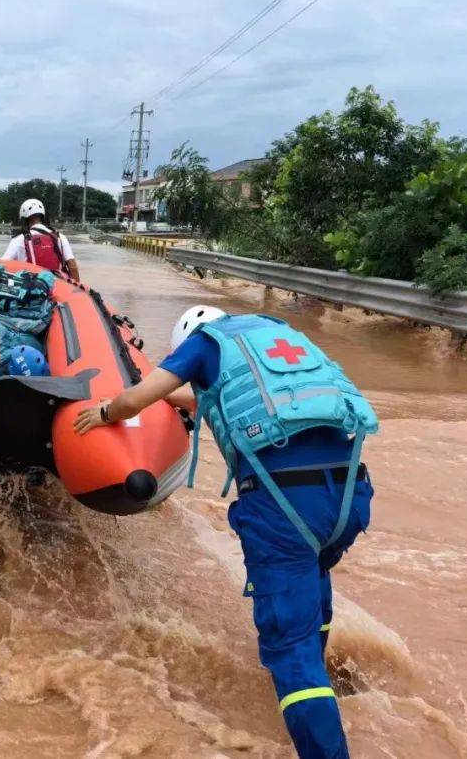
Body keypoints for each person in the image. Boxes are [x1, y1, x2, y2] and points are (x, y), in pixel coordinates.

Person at [75, 306, 378, 759]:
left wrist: (103, 411)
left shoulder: (204, 345)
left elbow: (136, 399)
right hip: (350, 494)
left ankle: (316, 717)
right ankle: (327, 683)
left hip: (285, 504)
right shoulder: (273, 337)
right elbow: (206, 402)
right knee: (312, 583)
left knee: (288, 648)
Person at [0, 199, 80, 280]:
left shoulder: (19, 239)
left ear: (25, 219)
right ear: (42, 217)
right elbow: (72, 266)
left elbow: (3, 265)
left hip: (31, 288)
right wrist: (78, 288)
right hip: (56, 286)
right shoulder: (60, 237)